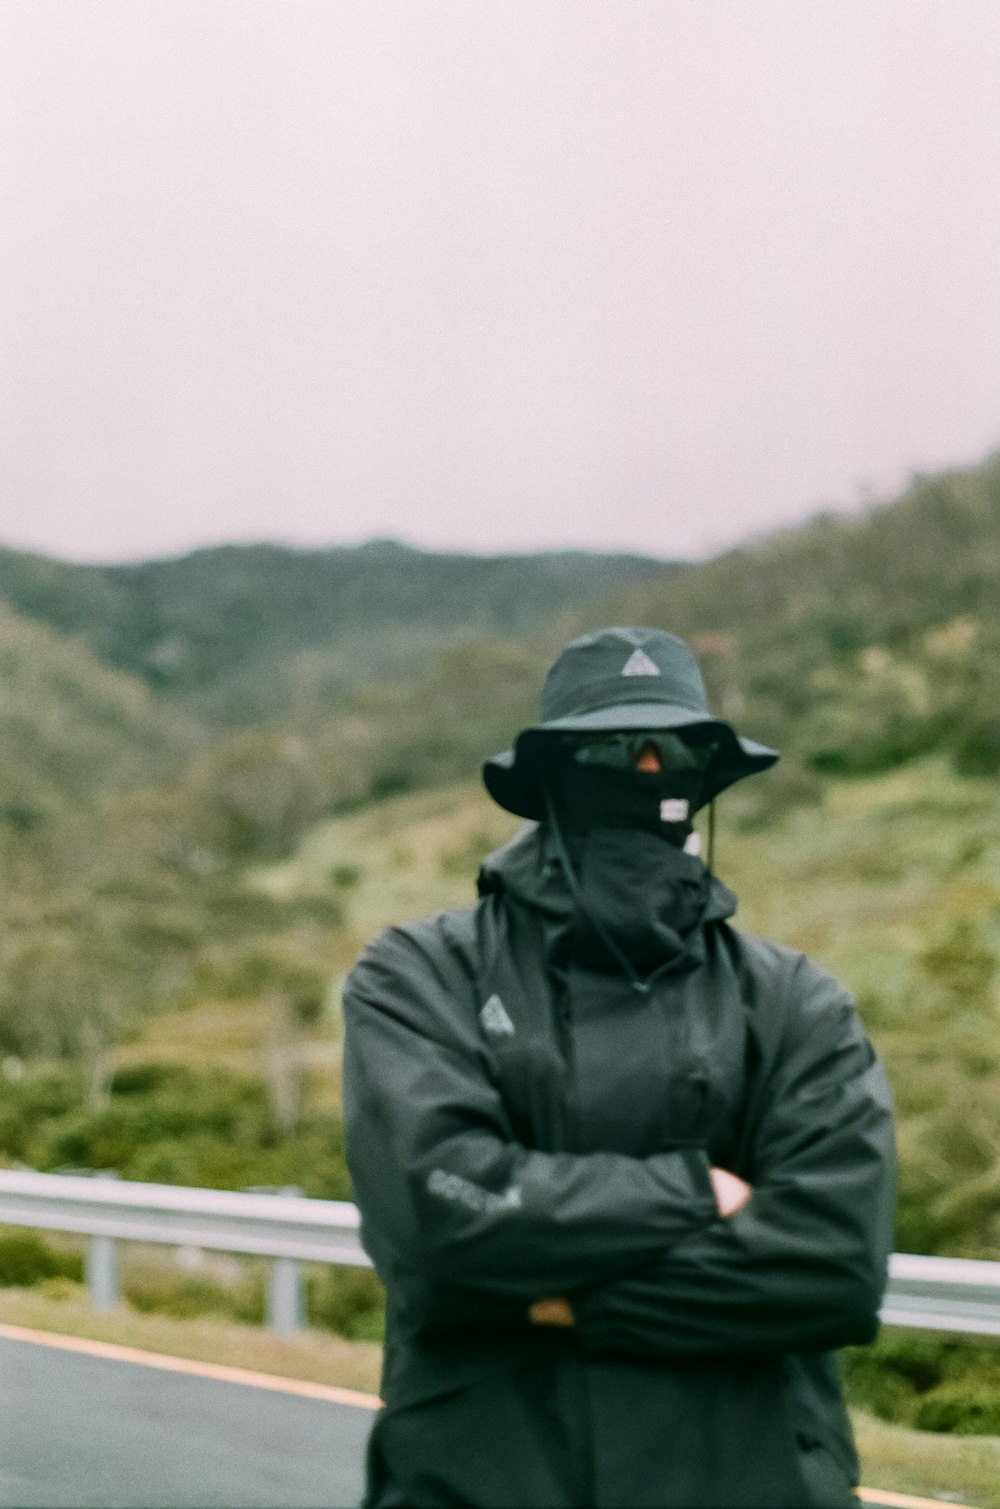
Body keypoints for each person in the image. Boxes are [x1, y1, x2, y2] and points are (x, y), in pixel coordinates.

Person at [343, 626, 896, 1509]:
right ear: (552, 770)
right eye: (611, 746)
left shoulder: (794, 999)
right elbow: (438, 1213)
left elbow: (832, 1263)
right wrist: (695, 1190)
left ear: (706, 773)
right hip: (483, 1478)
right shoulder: (421, 972)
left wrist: (559, 1305)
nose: (647, 772)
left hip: (750, 1476)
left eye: (673, 747)